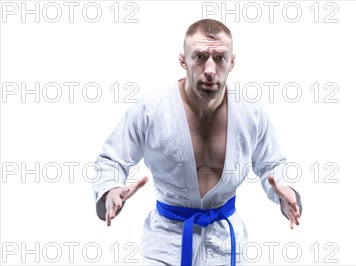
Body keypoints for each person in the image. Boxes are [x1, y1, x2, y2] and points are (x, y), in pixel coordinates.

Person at [91, 19, 302, 265]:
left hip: (226, 245)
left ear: (232, 62)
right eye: (200, 57)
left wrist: (287, 196)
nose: (210, 69)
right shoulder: (151, 109)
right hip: (166, 246)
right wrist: (110, 191)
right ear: (183, 60)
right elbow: (111, 160)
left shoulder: (251, 113)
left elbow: (271, 165)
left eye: (220, 58)